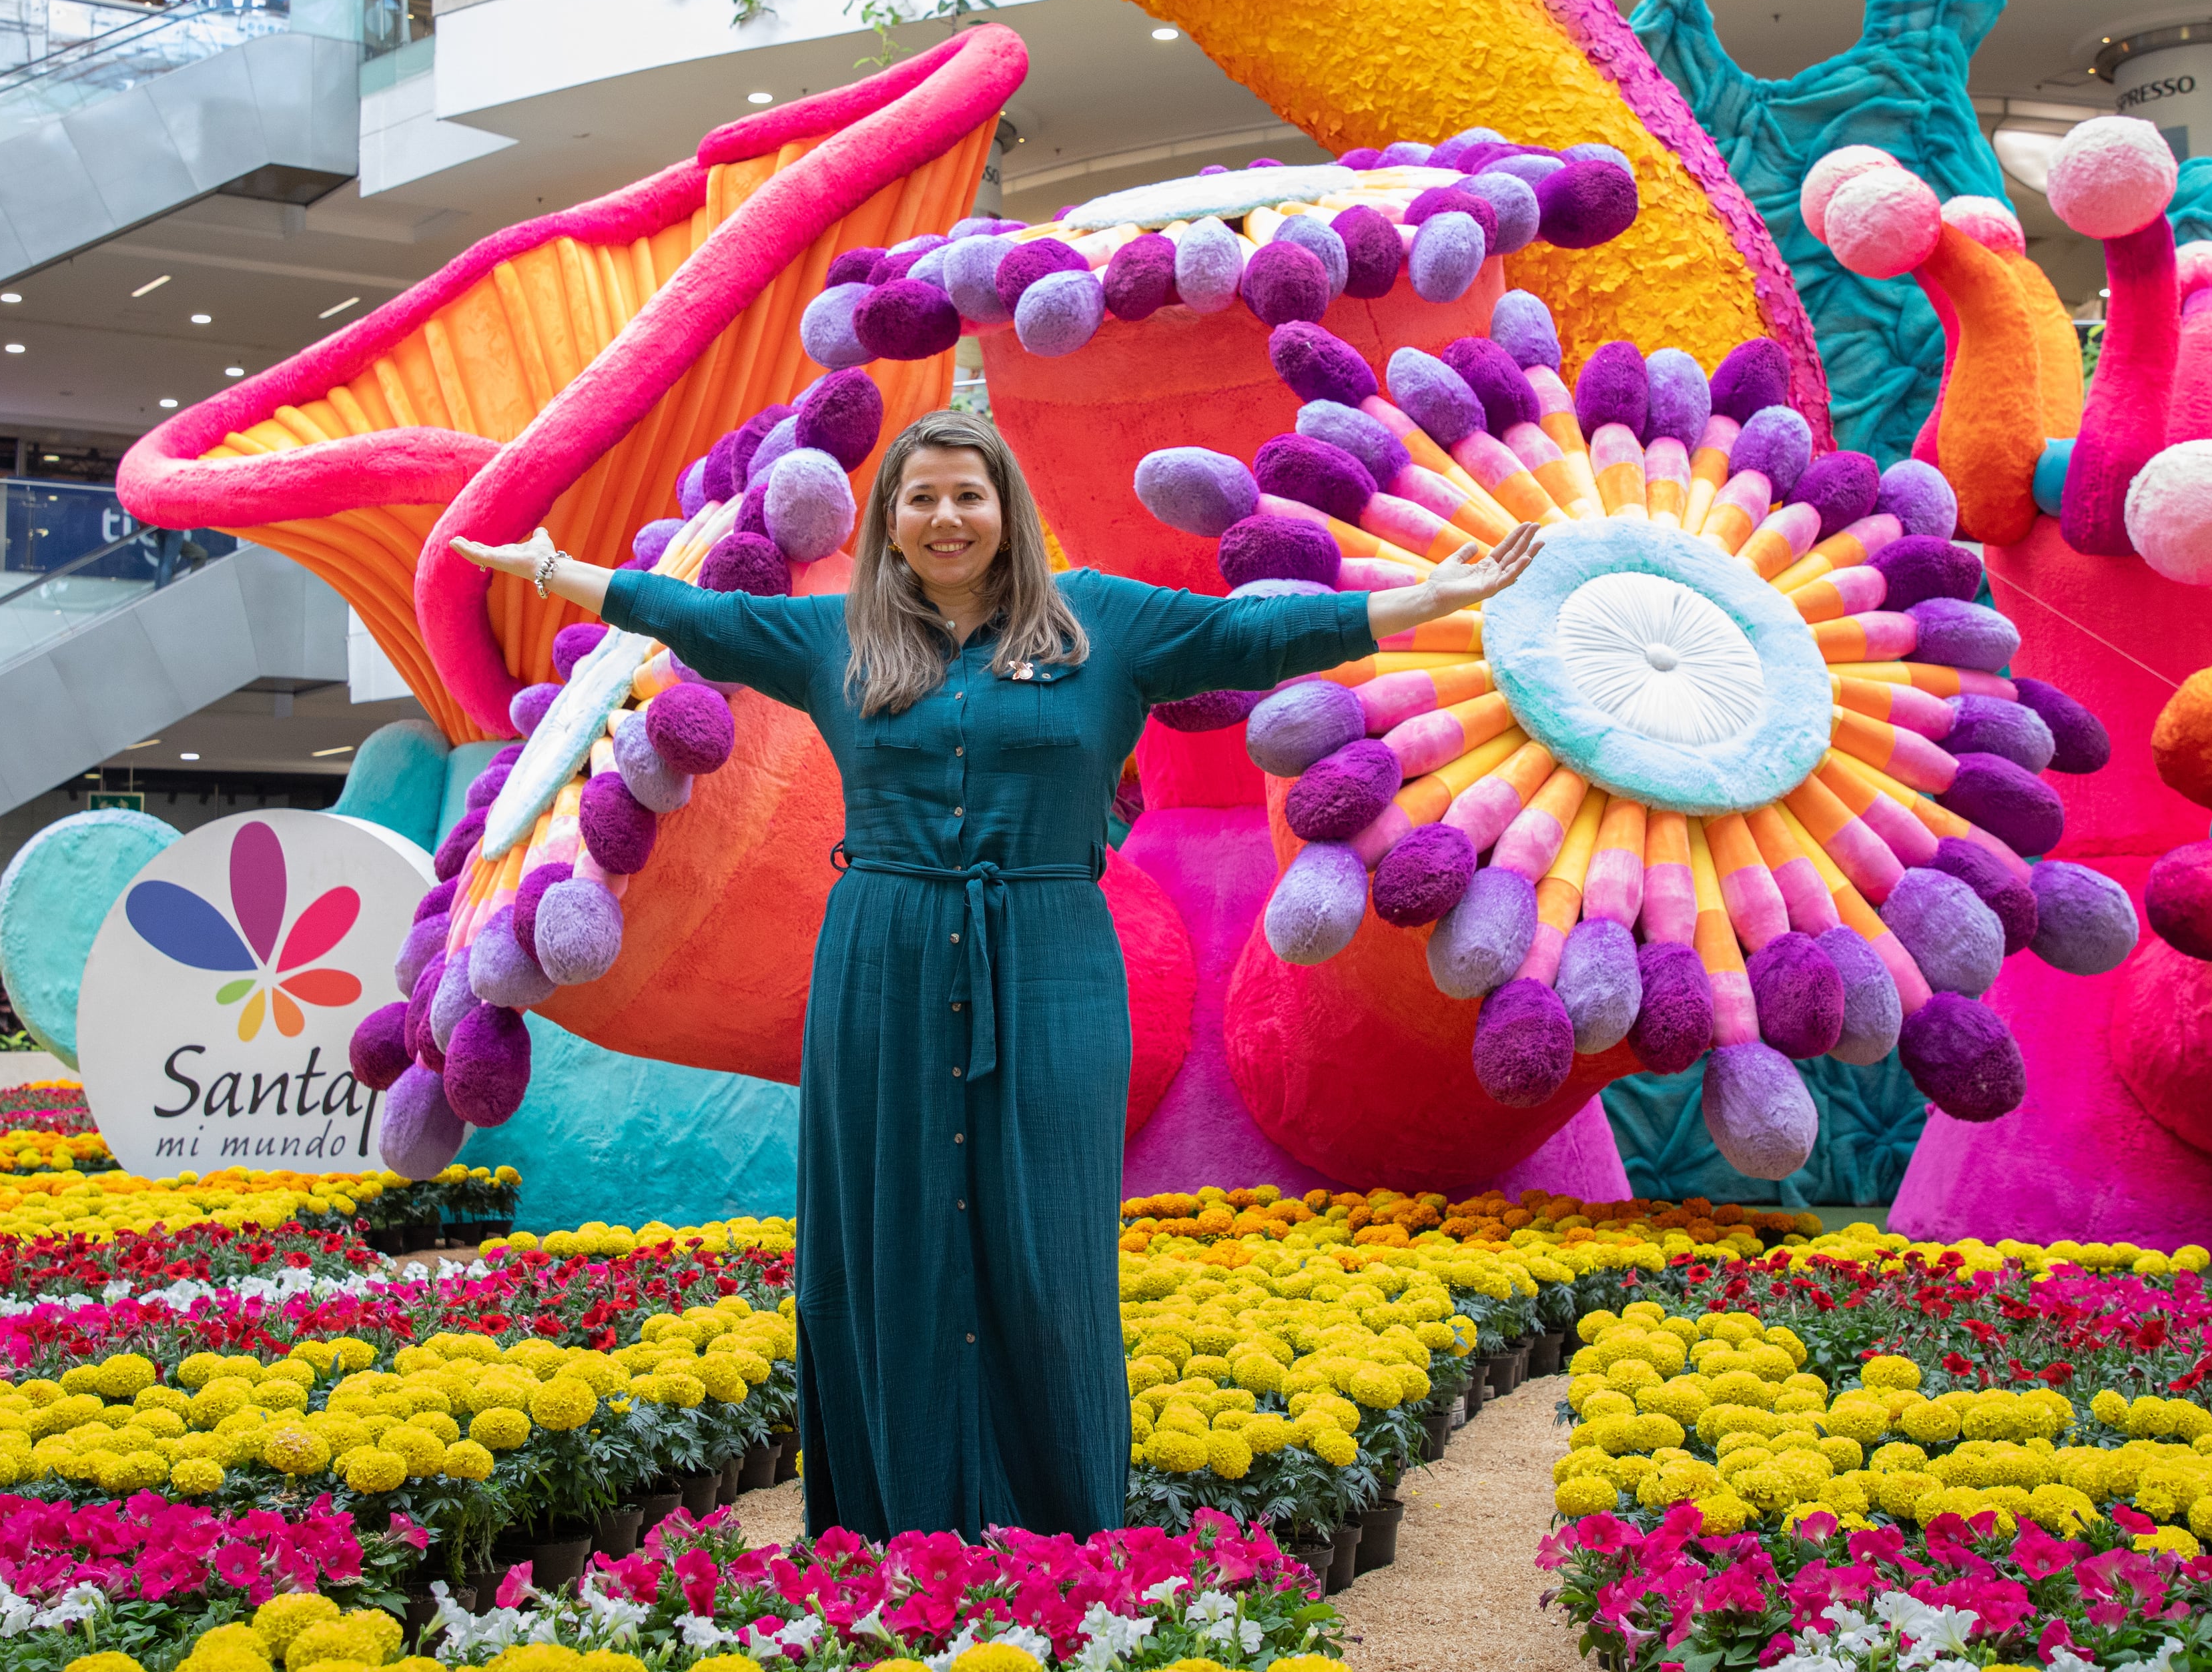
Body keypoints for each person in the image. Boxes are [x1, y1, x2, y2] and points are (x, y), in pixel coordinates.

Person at [451, 408, 1541, 1540]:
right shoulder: (839, 638)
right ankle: (893, 1528)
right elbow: (703, 619)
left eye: (967, 493)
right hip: (882, 958)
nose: (945, 516)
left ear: (1005, 506)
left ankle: (1059, 1530)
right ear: (890, 522)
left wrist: (1427, 599)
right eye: (919, 497)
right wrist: (550, 569)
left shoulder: (1104, 620)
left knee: (1050, 1241)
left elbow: (1252, 640)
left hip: (1054, 952)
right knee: (886, 1236)